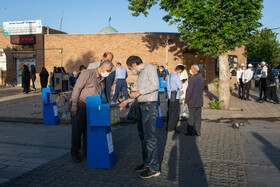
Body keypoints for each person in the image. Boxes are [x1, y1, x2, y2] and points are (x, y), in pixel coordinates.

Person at [119, 56, 160, 179]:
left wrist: (139, 92)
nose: (131, 71)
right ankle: (147, 163)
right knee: (143, 137)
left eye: (130, 68)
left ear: (135, 64)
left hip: (149, 107)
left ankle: (154, 168)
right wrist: (128, 100)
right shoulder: (141, 73)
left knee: (150, 138)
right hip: (141, 106)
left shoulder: (150, 68)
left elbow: (155, 85)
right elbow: (139, 94)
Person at [70, 60, 114, 163]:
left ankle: (87, 152)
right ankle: (75, 153)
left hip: (93, 107)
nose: (108, 73)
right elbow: (77, 88)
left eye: (109, 71)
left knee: (88, 131)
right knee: (77, 131)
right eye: (107, 70)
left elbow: (102, 93)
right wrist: (74, 105)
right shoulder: (87, 74)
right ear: (102, 67)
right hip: (81, 105)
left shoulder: (103, 79)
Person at [184, 64, 204, 136]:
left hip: (192, 101)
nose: (190, 70)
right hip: (199, 100)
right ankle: (197, 131)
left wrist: (186, 101)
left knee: (191, 117)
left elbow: (189, 90)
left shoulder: (192, 78)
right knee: (198, 117)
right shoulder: (201, 78)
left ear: (194, 69)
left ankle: (190, 132)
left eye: (191, 69)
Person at [166, 65, 184, 133]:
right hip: (174, 95)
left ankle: (169, 126)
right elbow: (180, 86)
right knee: (175, 112)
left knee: (170, 111)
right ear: (179, 70)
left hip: (169, 95)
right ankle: (173, 126)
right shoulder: (176, 76)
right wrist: (181, 82)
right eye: (181, 71)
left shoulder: (170, 75)